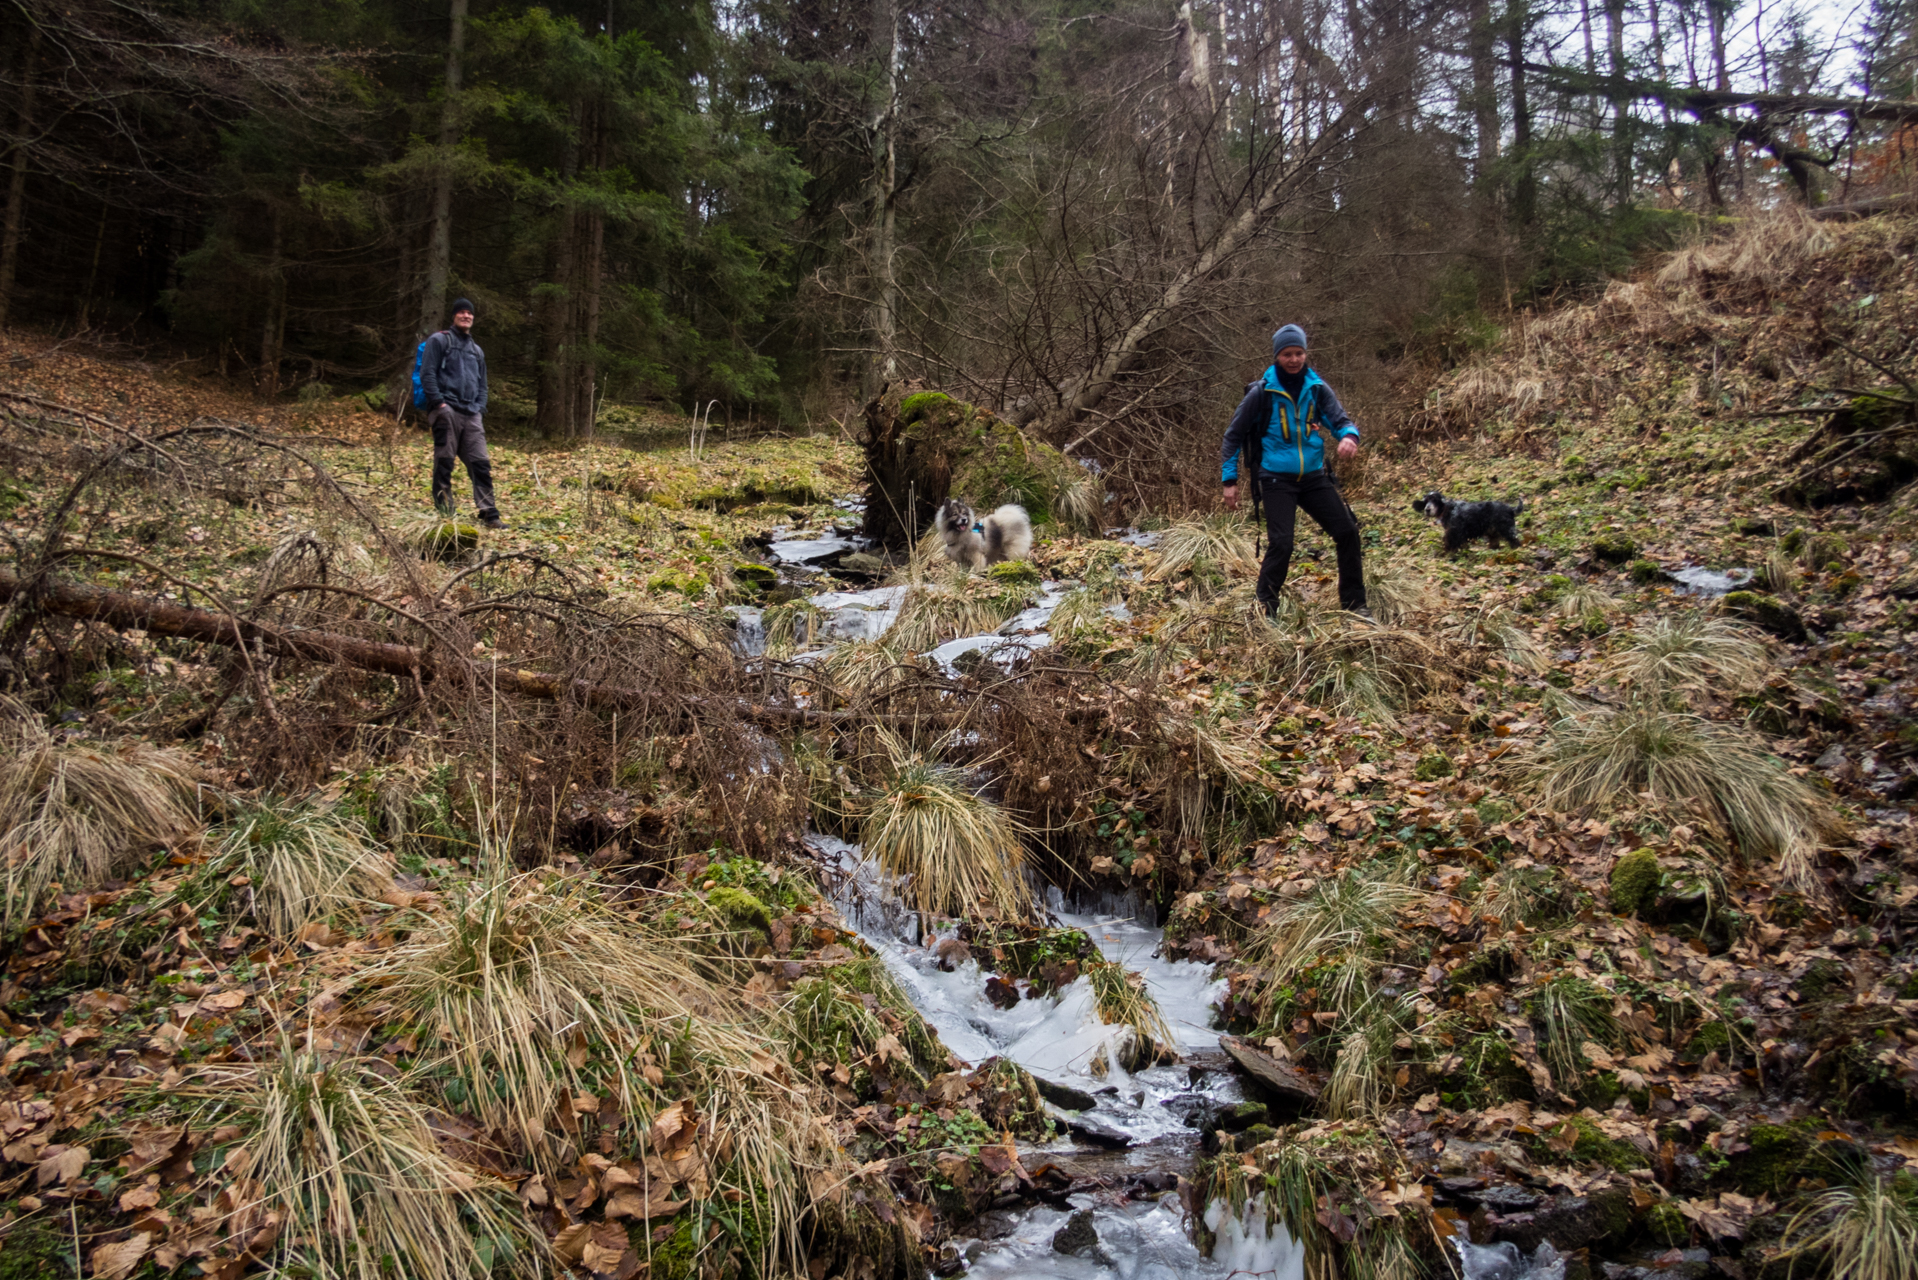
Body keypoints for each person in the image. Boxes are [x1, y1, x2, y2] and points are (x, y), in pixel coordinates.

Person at [1219, 324, 1370, 619]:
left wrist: (1350, 438)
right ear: (1277, 356)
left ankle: (1355, 605)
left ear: (1305, 353)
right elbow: (1232, 436)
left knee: (1347, 532)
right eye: (1287, 354)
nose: (1294, 359)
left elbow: (1339, 421)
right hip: (1275, 479)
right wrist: (1229, 481)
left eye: (1299, 353)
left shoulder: (1316, 388)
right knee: (1282, 544)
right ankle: (1265, 610)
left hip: (1314, 476)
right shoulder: (1262, 393)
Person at [420, 298, 507, 530]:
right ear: (454, 316)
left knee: (481, 464)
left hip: (472, 414)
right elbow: (427, 374)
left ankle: (489, 514)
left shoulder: (477, 351)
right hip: (446, 411)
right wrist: (439, 404)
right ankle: (446, 514)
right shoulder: (439, 341)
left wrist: (480, 408)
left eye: (469, 313)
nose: (466, 316)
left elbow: (483, 385)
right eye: (461, 312)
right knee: (445, 463)